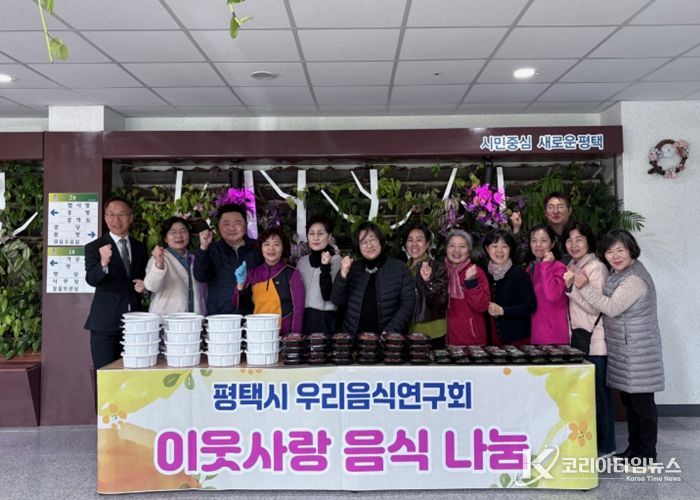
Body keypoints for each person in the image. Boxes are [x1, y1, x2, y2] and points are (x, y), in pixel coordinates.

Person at [574, 229, 664, 464]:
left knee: (642, 405)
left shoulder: (634, 279)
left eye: (620, 250)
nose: (615, 256)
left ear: (631, 250)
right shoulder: (619, 274)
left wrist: (584, 287)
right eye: (609, 251)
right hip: (626, 350)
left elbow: (611, 307)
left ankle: (647, 454)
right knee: (631, 403)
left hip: (638, 352)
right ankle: (634, 449)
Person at [563, 221, 615, 457]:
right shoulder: (572, 265)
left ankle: (607, 446)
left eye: (579, 240)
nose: (574, 245)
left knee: (600, 396)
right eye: (569, 240)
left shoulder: (596, 268)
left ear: (589, 242)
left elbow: (596, 307)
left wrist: (572, 289)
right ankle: (592, 442)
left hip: (595, 341)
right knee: (587, 394)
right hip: (579, 338)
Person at [84, 196, 147, 369]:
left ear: (131, 218)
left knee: (134, 373)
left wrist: (145, 288)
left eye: (122, 214)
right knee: (106, 375)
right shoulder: (94, 247)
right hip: (105, 324)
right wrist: (103, 263)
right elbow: (91, 279)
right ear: (105, 218)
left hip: (135, 324)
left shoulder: (140, 247)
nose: (116, 220)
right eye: (111, 214)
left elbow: (142, 280)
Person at [331, 222, 415, 336]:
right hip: (354, 337)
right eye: (363, 242)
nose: (369, 245)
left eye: (372, 239)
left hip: (388, 339)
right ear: (358, 246)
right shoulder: (352, 268)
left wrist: (391, 331)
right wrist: (343, 274)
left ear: (380, 240)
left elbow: (408, 303)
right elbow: (337, 300)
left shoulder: (400, 268)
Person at [193, 203, 262, 315]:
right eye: (226, 224)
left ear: (245, 225)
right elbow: (200, 276)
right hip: (221, 317)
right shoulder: (211, 249)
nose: (232, 228)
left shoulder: (258, 248)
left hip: (253, 315)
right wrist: (203, 247)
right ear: (219, 227)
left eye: (237, 223)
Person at [235, 227, 304, 336]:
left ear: (283, 248)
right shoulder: (252, 274)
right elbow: (240, 305)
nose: (271, 248)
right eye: (266, 244)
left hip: (283, 335)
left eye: (276, 244)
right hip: (258, 334)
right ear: (261, 248)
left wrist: (294, 336)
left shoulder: (292, 273)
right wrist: (240, 283)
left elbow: (298, 310)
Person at [139, 217, 205, 318]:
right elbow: (151, 286)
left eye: (183, 231)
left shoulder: (195, 258)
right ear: (165, 238)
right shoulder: (159, 257)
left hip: (193, 320)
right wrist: (159, 265)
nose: (179, 235)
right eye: (173, 232)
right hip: (165, 319)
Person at [483, 229, 536, 346]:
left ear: (510, 249)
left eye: (504, 246)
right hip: (491, 340)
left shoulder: (519, 274)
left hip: (518, 341)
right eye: (494, 246)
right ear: (487, 249)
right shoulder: (484, 273)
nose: (499, 251)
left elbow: (530, 306)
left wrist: (503, 311)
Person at [403, 223, 448, 348]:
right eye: (410, 240)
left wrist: (427, 281)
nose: (414, 244)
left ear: (427, 244)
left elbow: (441, 302)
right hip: (407, 330)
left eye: (419, 240)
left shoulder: (437, 267)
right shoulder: (403, 268)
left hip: (432, 332)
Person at [296, 215, 342, 335]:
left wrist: (325, 266)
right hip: (304, 318)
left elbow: (329, 295)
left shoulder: (337, 261)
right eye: (311, 233)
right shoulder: (302, 262)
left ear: (329, 236)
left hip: (326, 319)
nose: (315, 238)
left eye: (320, 233)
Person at [443, 229, 490, 346]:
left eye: (462, 246)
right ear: (446, 249)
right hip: (446, 338)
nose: (456, 250)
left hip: (471, 339)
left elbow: (482, 306)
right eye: (452, 246)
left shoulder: (476, 272)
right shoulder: (440, 272)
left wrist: (471, 283)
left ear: (468, 251)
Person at [526, 224, 569, 344]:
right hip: (536, 333)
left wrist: (546, 265)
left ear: (552, 243)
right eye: (534, 241)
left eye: (543, 240)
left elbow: (552, 296)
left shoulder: (560, 268)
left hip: (555, 336)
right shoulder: (531, 268)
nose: (538, 245)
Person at [512, 191, 573, 262]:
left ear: (569, 210)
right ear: (545, 212)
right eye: (551, 207)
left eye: (560, 207)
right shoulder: (540, 233)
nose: (555, 211)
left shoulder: (577, 233)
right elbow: (520, 257)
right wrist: (516, 228)